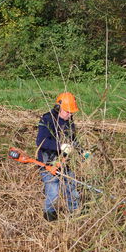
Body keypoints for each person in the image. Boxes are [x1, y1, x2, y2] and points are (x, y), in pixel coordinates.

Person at [35, 92, 90, 221]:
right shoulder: (47, 120)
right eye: (67, 111)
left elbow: (73, 139)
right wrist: (60, 146)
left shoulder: (68, 122)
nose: (70, 115)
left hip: (64, 162)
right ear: (58, 108)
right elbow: (41, 142)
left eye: (72, 112)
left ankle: (75, 213)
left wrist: (82, 152)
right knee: (53, 191)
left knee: (71, 187)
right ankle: (49, 216)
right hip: (47, 162)